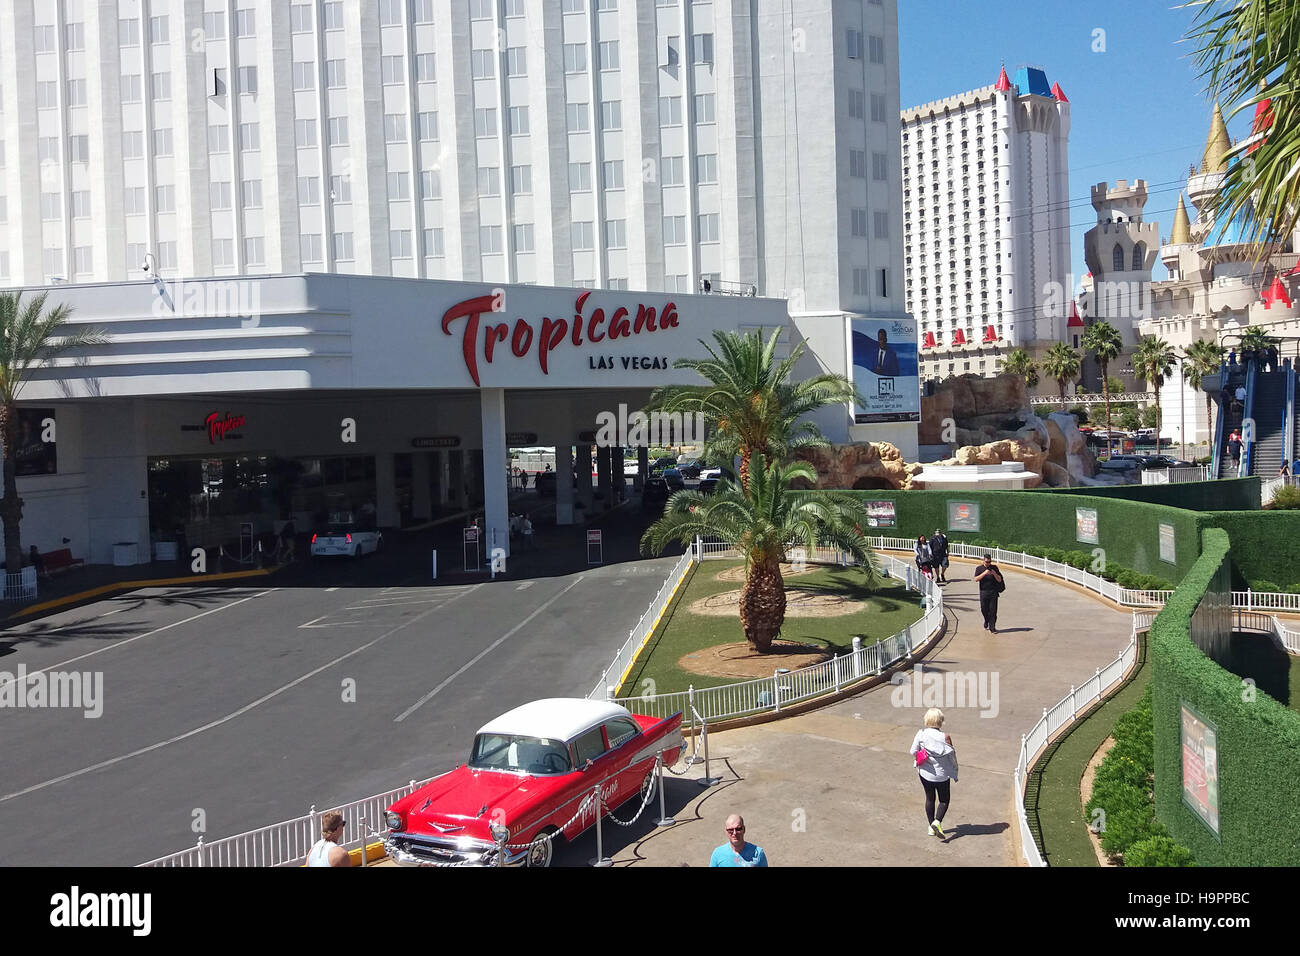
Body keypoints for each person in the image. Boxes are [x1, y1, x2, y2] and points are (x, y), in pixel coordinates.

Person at [910, 708, 958, 840]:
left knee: (930, 798)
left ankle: (931, 827)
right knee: (944, 800)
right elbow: (952, 756)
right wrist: (954, 772)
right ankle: (937, 821)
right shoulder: (945, 737)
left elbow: (913, 751)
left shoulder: (921, 734)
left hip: (925, 773)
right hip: (942, 775)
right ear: (940, 721)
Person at [973, 554, 1004, 632]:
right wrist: (984, 573)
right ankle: (986, 620)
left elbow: (999, 579)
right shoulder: (979, 568)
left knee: (993, 610)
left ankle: (992, 627)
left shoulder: (994, 568)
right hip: (983, 592)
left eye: (989, 562)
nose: (988, 563)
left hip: (993, 592)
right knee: (984, 609)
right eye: (987, 562)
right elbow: (976, 579)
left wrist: (994, 573)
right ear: (983, 561)